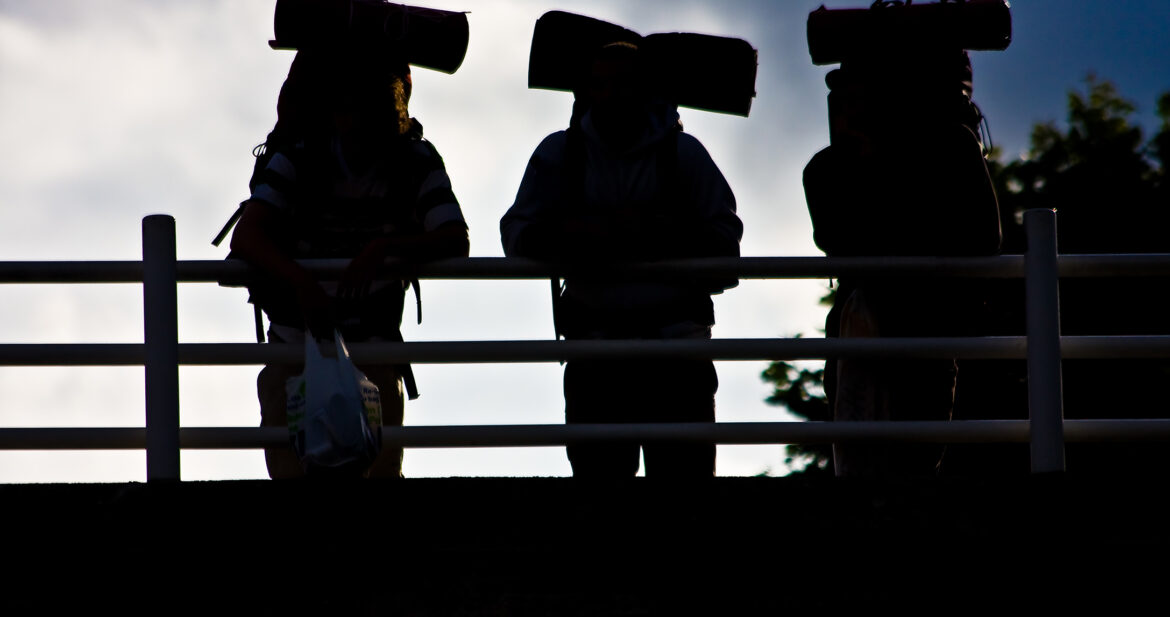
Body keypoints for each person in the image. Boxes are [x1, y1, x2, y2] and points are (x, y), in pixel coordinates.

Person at [501, 41, 743, 478]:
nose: (612, 95)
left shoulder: (683, 155)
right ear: (588, 92)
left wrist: (652, 232)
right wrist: (583, 234)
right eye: (602, 84)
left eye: (623, 84)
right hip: (604, 356)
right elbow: (517, 235)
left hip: (669, 356)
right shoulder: (562, 155)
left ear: (645, 90)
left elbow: (727, 250)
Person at [230, 43, 469, 479]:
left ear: (389, 112)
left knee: (376, 478)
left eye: (366, 109)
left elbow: (455, 239)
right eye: (346, 107)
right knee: (294, 475)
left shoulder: (414, 161)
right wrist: (302, 285)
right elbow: (248, 235)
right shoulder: (300, 157)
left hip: (369, 341)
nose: (354, 122)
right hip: (297, 337)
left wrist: (381, 252)